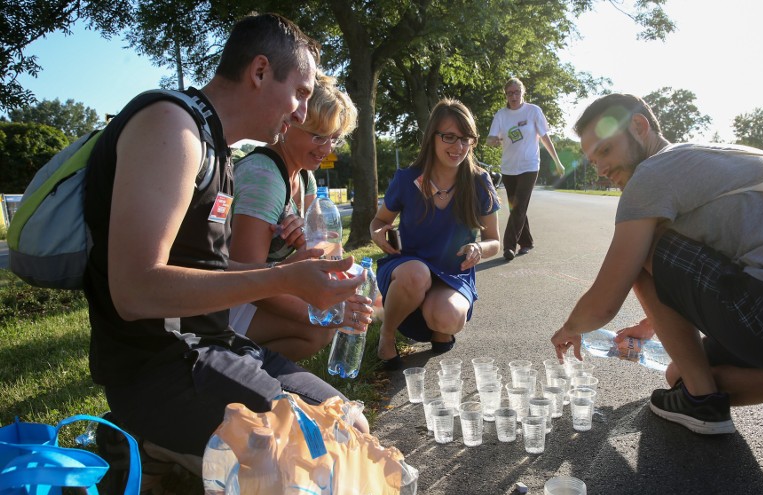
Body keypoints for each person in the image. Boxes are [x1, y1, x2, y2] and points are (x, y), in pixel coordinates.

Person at [83, 13, 369, 468]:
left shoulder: (219, 151)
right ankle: (140, 438)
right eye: (299, 93)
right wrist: (283, 277)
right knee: (320, 456)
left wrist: (296, 276)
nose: (300, 112)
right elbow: (134, 290)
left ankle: (176, 444)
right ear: (259, 72)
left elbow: (209, 271)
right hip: (162, 370)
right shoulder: (170, 127)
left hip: (221, 348)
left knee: (351, 427)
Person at [550, 93, 763, 468]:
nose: (600, 168)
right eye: (593, 159)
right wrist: (650, 325)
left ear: (639, 127)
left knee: (644, 249)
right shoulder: (701, 157)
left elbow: (607, 299)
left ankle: (706, 403)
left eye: (606, 150)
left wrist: (571, 327)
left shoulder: (653, 173)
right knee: (681, 373)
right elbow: (715, 262)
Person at [229, 72, 371, 361]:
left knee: (363, 294)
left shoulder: (305, 177)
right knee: (317, 329)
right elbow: (246, 281)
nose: (328, 149)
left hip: (267, 285)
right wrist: (332, 314)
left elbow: (315, 252)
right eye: (318, 136)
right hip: (228, 300)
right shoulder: (264, 176)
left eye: (334, 138)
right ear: (290, 122)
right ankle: (232, 369)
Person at [370, 99, 501, 367]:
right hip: (407, 270)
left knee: (448, 316)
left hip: (452, 274)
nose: (458, 147)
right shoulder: (407, 179)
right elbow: (379, 221)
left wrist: (479, 248)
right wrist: (378, 233)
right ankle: (387, 335)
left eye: (466, 139)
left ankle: (437, 328)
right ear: (432, 138)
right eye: (449, 137)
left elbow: (495, 241)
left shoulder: (479, 181)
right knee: (417, 274)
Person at [486, 77, 565, 261]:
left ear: (523, 93)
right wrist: (494, 141)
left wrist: (557, 161)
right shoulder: (501, 115)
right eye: (509, 93)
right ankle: (527, 242)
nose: (513, 96)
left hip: (530, 166)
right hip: (509, 168)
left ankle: (508, 246)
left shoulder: (533, 111)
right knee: (517, 207)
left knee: (519, 206)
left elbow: (545, 138)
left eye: (516, 92)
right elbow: (490, 139)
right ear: (506, 95)